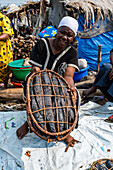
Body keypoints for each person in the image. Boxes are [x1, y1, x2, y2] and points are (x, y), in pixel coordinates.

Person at [16, 16, 80, 147]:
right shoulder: (42, 44)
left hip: (59, 83)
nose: (64, 37)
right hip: (38, 78)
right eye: (62, 32)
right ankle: (29, 123)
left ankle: (65, 131)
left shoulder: (72, 52)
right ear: (57, 31)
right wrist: (41, 81)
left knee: (75, 96)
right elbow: (35, 69)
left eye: (69, 35)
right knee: (35, 96)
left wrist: (70, 88)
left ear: (73, 38)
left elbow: (68, 75)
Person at [0, 12, 14, 88]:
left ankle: (4, 92)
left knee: (3, 69)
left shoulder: (3, 19)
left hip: (3, 49)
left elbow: (7, 34)